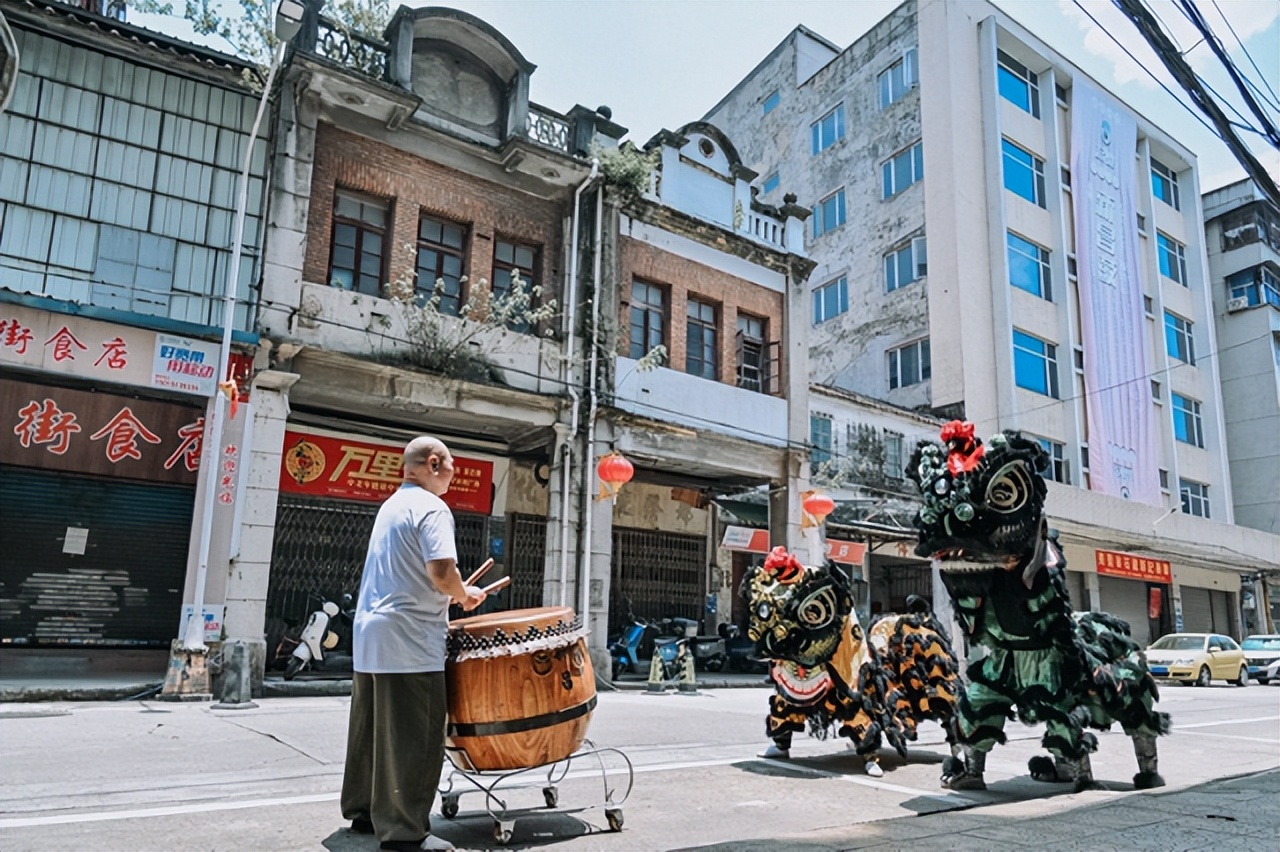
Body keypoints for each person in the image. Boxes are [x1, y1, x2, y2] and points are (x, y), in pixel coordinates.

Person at [340, 436, 487, 852]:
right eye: (452, 466)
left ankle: (366, 811)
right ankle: (405, 832)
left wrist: (456, 590)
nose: (454, 475)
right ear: (434, 462)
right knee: (415, 734)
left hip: (371, 632)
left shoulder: (391, 506)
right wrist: (464, 596)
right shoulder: (431, 507)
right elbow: (441, 571)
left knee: (372, 730)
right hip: (410, 635)